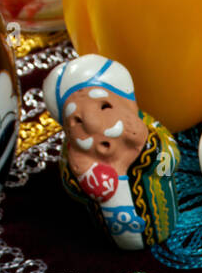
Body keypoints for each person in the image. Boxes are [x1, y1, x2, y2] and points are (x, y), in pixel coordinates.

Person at [43, 55, 179, 249]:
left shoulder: (149, 128)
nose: (93, 125)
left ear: (128, 104)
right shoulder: (72, 151)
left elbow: (172, 160)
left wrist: (149, 148)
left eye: (104, 106)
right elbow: (72, 189)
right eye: (77, 120)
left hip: (158, 216)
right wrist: (81, 178)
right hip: (107, 228)